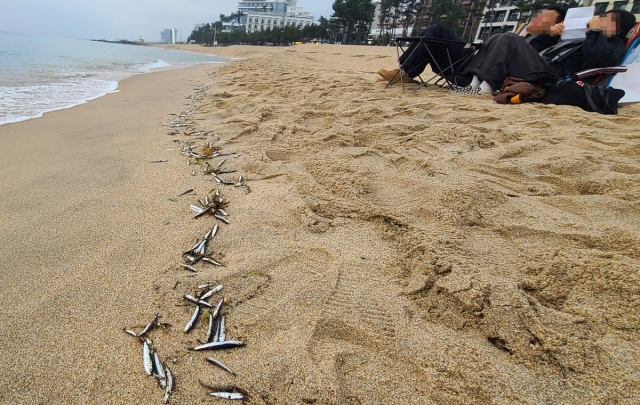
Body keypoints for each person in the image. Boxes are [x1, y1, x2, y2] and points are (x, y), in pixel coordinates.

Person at [377, 7, 567, 85]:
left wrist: (551, 35)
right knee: (437, 31)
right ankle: (405, 72)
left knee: (437, 33)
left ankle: (406, 74)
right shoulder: (522, 33)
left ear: (554, 25)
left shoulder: (543, 40)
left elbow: (534, 59)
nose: (538, 18)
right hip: (473, 55)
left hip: (474, 65)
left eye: (544, 18)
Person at [460, 9, 636, 93]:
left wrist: (595, 31)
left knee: (507, 37)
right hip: (542, 66)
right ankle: (474, 83)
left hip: (551, 77)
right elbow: (534, 50)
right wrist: (550, 35)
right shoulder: (583, 38)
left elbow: (598, 60)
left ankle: (485, 87)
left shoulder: (613, 43)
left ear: (616, 26)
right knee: (497, 37)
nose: (597, 19)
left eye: (604, 18)